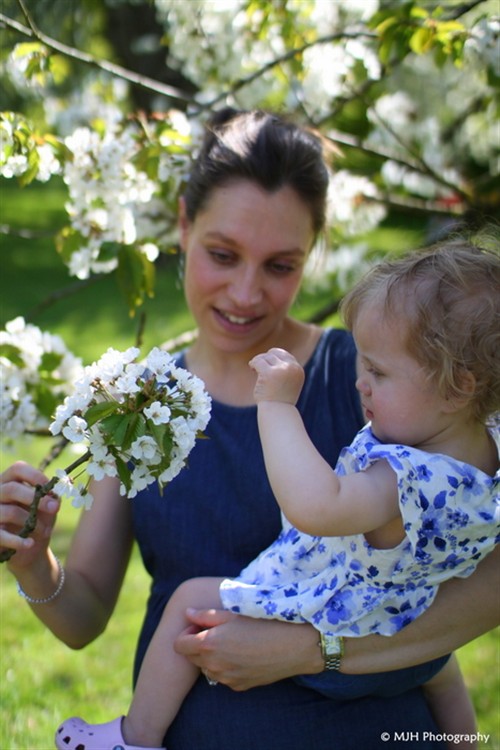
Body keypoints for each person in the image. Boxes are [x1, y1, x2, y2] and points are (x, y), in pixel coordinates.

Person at [1, 108, 499, 750]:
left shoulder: (386, 383)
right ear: (183, 225)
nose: (244, 293)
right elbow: (84, 617)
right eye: (221, 254)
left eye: (279, 266)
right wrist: (36, 564)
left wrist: (306, 651)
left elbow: (473, 589)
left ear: (313, 252)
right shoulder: (135, 405)